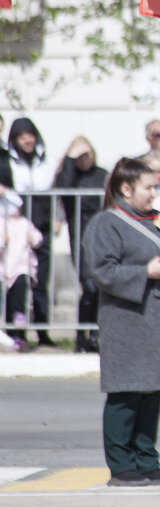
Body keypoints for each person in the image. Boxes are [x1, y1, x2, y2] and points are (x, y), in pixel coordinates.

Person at [83, 157, 160, 487]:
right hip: (129, 320)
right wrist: (144, 272)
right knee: (126, 393)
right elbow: (103, 271)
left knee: (152, 392)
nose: (154, 194)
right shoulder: (107, 223)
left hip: (159, 316)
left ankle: (147, 460)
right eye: (148, 188)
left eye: (156, 187)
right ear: (126, 188)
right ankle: (121, 465)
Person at [55, 137, 109, 353]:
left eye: (87, 153)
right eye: (79, 155)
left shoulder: (101, 174)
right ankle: (81, 337)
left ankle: (95, 336)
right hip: (80, 235)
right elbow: (65, 189)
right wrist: (70, 159)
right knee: (87, 286)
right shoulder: (69, 177)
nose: (85, 158)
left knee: (99, 287)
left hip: (101, 235)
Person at [8, 117, 58, 346]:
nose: (27, 139)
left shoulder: (45, 162)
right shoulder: (8, 163)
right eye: (22, 135)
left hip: (42, 227)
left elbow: (57, 192)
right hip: (17, 229)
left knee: (41, 282)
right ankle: (16, 333)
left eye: (30, 134)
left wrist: (58, 218)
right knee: (16, 280)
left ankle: (42, 332)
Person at [1, 190, 41, 353]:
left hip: (22, 267)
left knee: (20, 298)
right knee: (8, 303)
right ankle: (11, 337)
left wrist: (33, 238)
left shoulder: (25, 223)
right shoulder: (3, 223)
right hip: (5, 270)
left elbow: (37, 238)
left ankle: (20, 331)